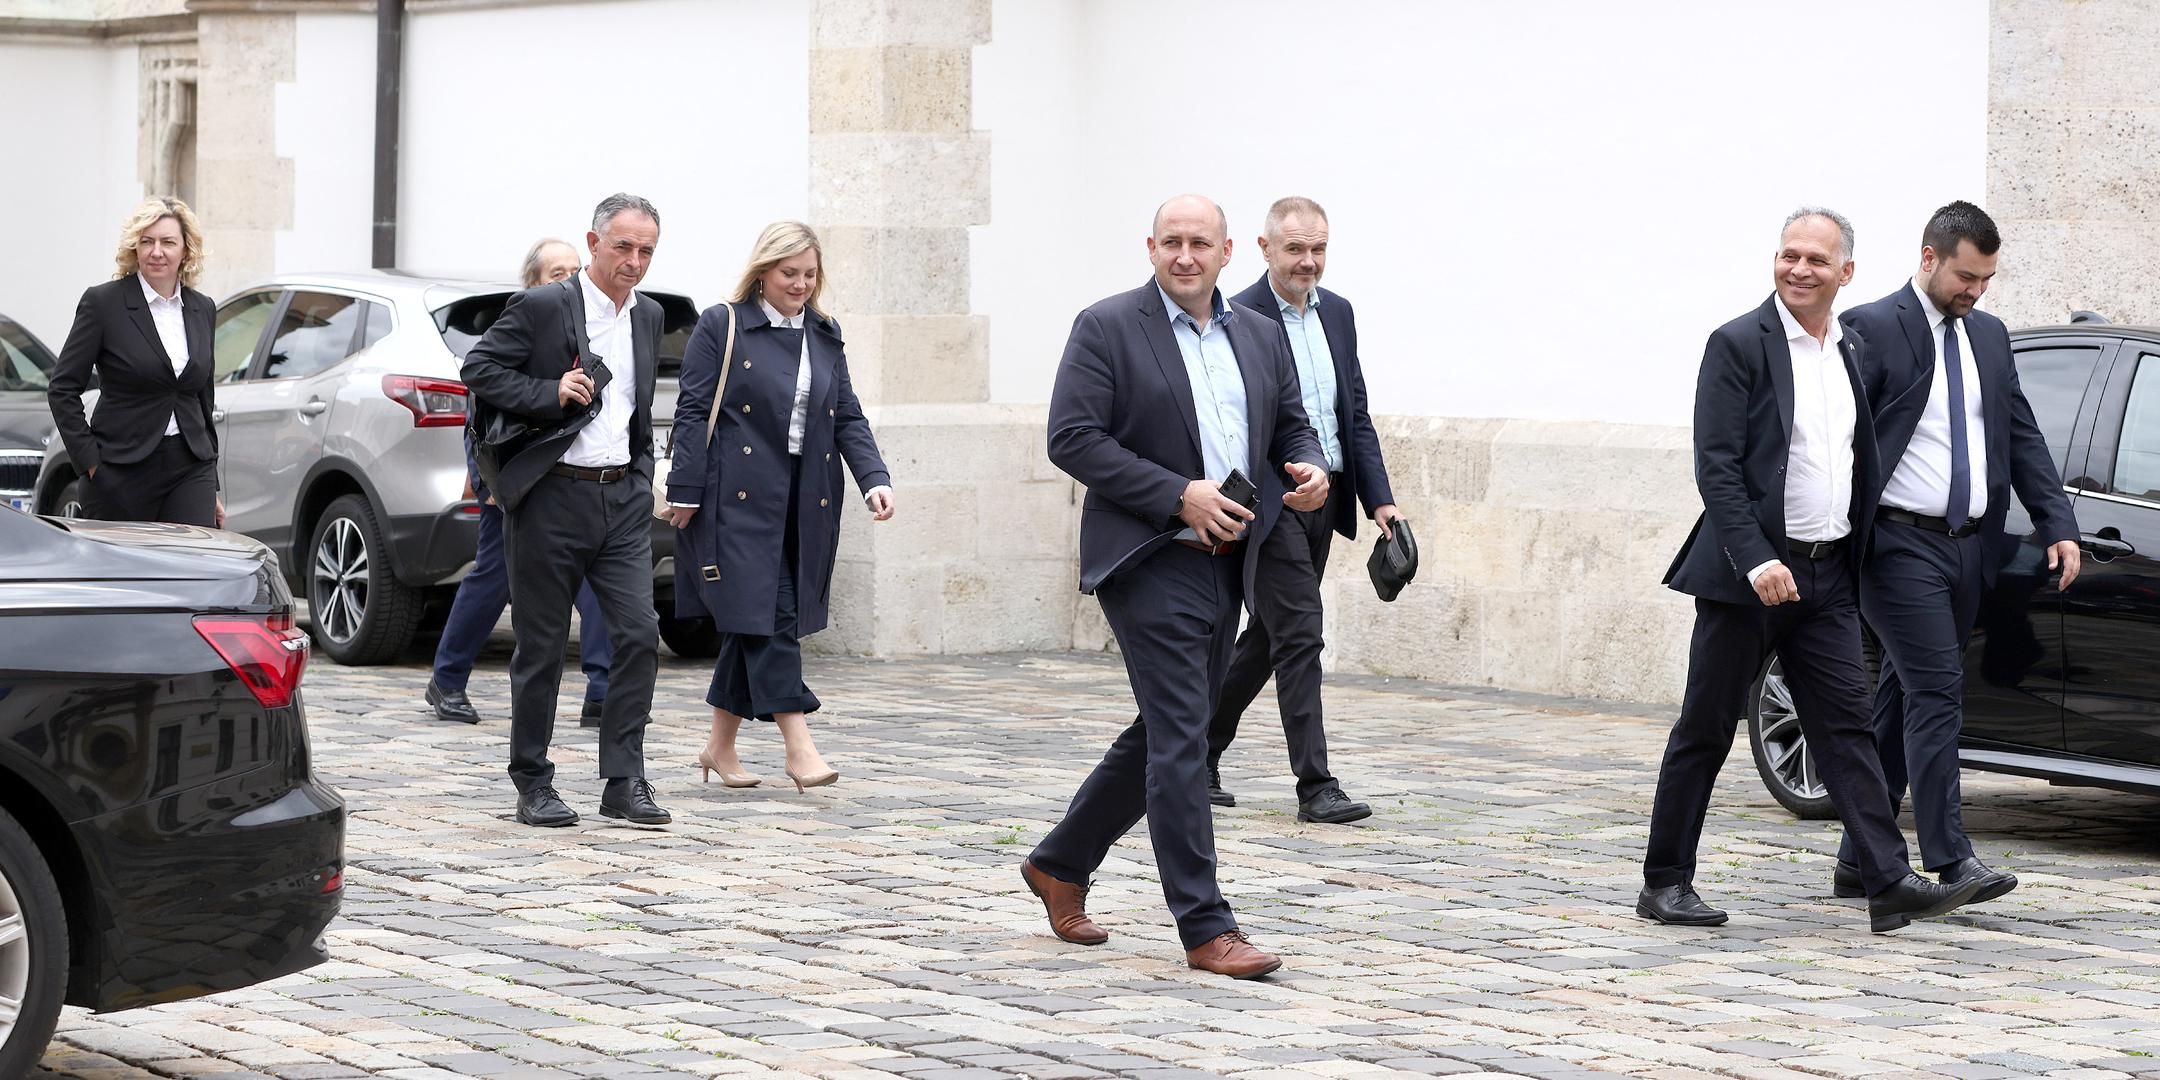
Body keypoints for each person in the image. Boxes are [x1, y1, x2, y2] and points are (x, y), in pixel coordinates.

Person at [1640, 208, 1986, 933]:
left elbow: (1860, 463)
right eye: (1789, 255)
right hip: (1751, 578)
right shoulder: (1738, 343)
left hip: (1827, 576)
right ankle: (1665, 882)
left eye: (1816, 260)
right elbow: (1719, 468)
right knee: (1706, 727)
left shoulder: (1850, 349)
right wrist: (1757, 557)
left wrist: (1856, 557)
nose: (1799, 269)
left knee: (1848, 730)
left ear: (1846, 273)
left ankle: (1888, 880)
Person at [1021, 194, 1330, 979]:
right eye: (1171, 242)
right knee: (1185, 736)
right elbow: (1073, 437)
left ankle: (1061, 861)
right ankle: (1206, 927)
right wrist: (1176, 493)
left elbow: (1290, 422)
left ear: (1230, 252)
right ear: (1150, 247)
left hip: (1232, 559)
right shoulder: (1108, 325)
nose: (1185, 255)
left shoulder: (1258, 334)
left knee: (1169, 728)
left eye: (1200, 243)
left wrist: (1308, 467)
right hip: (1151, 555)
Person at [1831, 201, 2081, 903]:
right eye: (1966, 276)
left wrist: (2057, 522)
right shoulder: (1872, 327)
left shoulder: (1992, 338)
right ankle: (1949, 857)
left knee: (1898, 701)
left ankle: (1859, 855)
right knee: (1938, 691)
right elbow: (1836, 437)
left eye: (1987, 279)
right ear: (1929, 256)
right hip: (1897, 544)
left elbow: (2021, 437)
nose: (1975, 291)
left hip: (1970, 549)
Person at [459, 194, 669, 829]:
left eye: (647, 251)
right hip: (551, 495)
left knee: (637, 635)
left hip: (622, 498)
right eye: (624, 246)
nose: (634, 261)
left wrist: (641, 473)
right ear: (595, 241)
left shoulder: (650, 315)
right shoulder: (544, 304)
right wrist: (547, 393)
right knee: (543, 645)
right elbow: (479, 367)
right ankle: (532, 779)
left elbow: (635, 401)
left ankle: (624, 779)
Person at [663, 222, 894, 793]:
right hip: (735, 498)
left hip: (805, 498)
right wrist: (686, 492)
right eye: (789, 273)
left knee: (755, 617)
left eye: (810, 274)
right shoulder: (724, 324)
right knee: (774, 618)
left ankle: (719, 746)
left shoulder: (824, 330)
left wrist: (873, 479)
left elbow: (847, 414)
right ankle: (800, 746)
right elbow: (692, 411)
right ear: (763, 271)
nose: (800, 284)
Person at [1205, 196, 1401, 823]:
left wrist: (1382, 503)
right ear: (1264, 249)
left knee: (1270, 636)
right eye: (1295, 248)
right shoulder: (1236, 316)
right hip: (1271, 501)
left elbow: (1355, 415)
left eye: (1318, 248)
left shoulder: (1337, 314)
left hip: (1328, 498)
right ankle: (1315, 784)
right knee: (1301, 636)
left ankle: (1198, 749)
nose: (1307, 261)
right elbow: (1237, 423)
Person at [425, 238, 614, 727]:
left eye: (575, 270)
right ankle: (447, 680)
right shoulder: (521, 323)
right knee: (495, 577)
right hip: (515, 483)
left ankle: (602, 690)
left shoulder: (592, 330)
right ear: (532, 284)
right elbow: (480, 410)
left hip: (576, 482)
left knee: (594, 580)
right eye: (557, 272)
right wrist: (485, 480)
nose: (569, 279)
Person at [47, 196, 222, 527]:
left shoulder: (203, 308)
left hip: (190, 467)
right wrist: (91, 463)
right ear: (135, 248)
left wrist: (212, 483)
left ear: (186, 250)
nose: (157, 252)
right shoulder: (103, 303)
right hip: (120, 471)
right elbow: (62, 389)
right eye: (147, 242)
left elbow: (203, 399)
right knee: (125, 576)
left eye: (168, 242)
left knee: (191, 570)